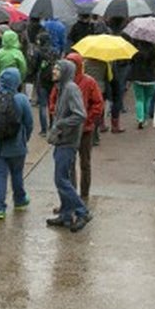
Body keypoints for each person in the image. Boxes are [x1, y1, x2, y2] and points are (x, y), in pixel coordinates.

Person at [49, 53, 104, 202]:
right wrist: (56, 113)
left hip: (85, 131)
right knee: (69, 165)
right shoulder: (61, 83)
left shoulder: (89, 82)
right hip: (69, 131)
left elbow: (98, 104)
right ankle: (72, 197)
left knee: (84, 163)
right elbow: (53, 100)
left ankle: (84, 195)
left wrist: (87, 120)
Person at [46, 60, 92, 232]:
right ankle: (66, 215)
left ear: (65, 71)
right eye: (54, 67)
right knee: (62, 178)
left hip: (68, 141)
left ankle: (82, 212)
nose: (54, 70)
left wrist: (60, 125)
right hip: (62, 140)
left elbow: (80, 115)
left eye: (58, 68)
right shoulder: (62, 88)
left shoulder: (71, 88)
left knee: (61, 180)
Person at [0, 67, 34, 220]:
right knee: (17, 173)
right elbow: (29, 123)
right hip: (17, 145)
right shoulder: (22, 99)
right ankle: (19, 200)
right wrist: (25, 139)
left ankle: (0, 208)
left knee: (0, 175)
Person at [128, 39, 155, 129]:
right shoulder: (154, 50)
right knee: (148, 99)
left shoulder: (136, 50)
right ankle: (145, 118)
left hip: (138, 77)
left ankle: (140, 118)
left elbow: (131, 62)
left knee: (139, 99)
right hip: (151, 78)